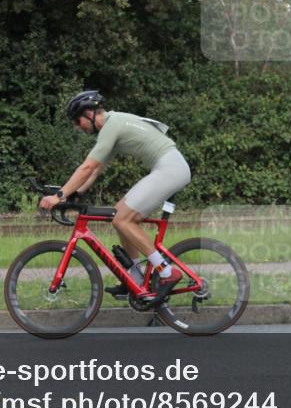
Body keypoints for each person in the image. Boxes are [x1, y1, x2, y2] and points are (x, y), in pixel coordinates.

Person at [39, 90, 191, 302]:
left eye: (77, 120)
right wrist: (75, 193)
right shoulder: (112, 126)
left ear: (90, 114)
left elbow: (87, 166)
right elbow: (94, 171)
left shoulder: (112, 126)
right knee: (120, 215)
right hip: (169, 167)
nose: (77, 126)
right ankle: (135, 279)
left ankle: (166, 271)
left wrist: (60, 195)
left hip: (170, 169)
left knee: (122, 218)